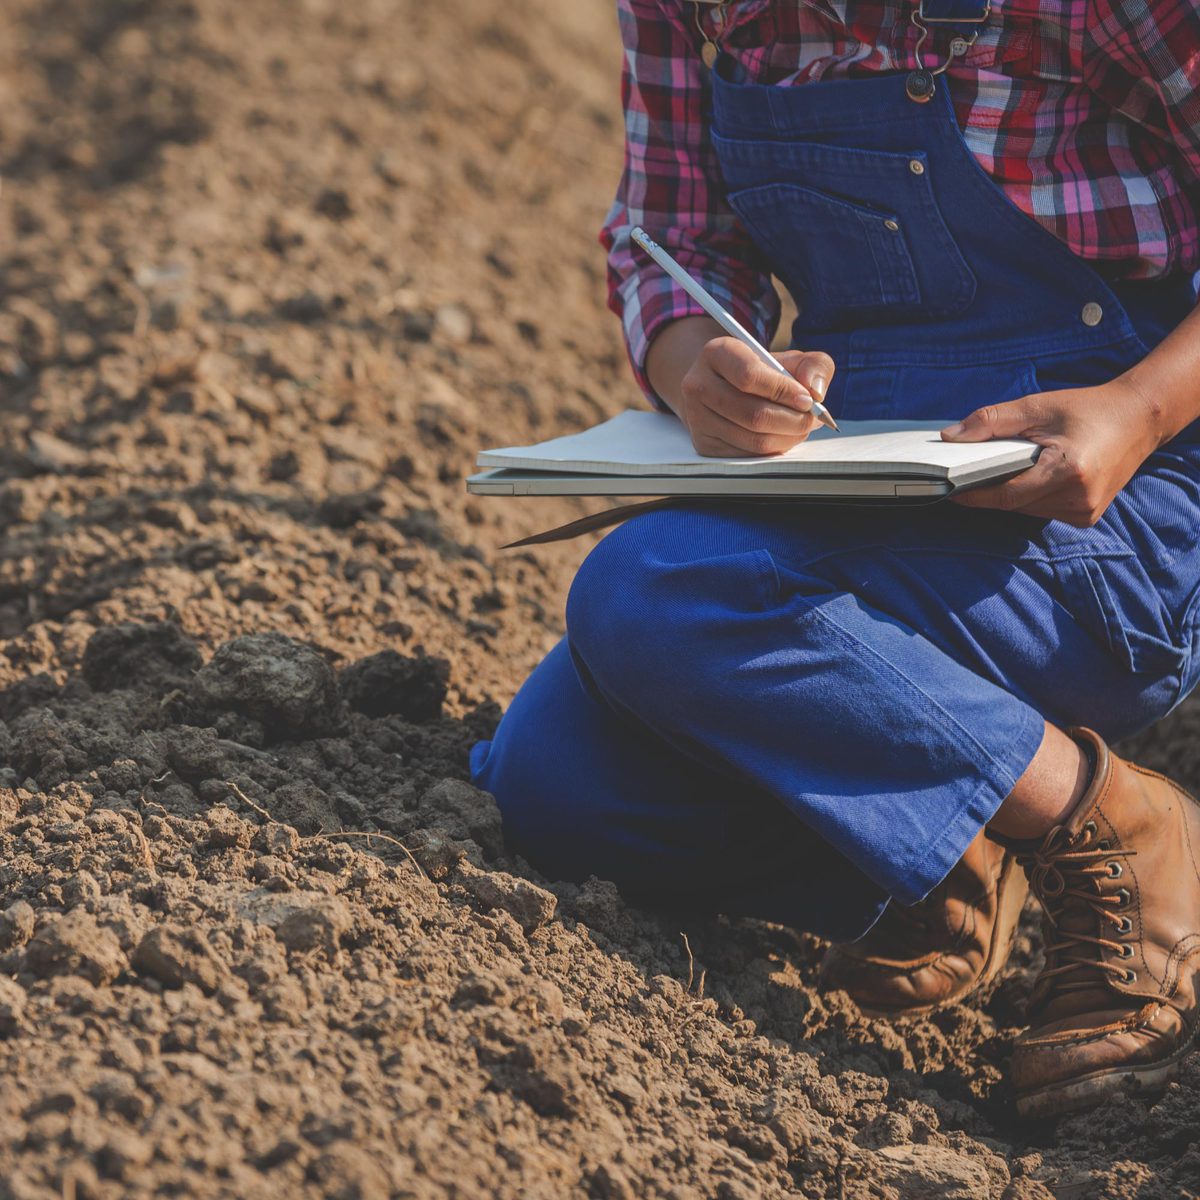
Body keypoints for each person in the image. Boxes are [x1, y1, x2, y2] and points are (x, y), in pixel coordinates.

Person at [470, 0, 1200, 1118]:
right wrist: (695, 361)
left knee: (655, 586)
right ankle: (949, 840)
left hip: (1114, 506)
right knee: (560, 786)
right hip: (864, 463)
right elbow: (668, 236)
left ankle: (1112, 823)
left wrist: (1136, 411)